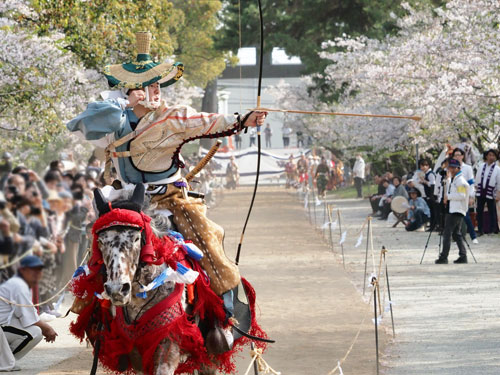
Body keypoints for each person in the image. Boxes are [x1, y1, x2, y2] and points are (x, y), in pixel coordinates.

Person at [66, 32, 266, 343]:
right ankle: (96, 319)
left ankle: (222, 318)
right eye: (149, 85)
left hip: (169, 199)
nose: (157, 90)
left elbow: (210, 121)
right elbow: (82, 122)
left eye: (159, 84)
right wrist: (125, 104)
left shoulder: (173, 118)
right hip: (124, 200)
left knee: (206, 239)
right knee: (100, 242)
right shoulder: (112, 118)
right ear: (133, 90)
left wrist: (244, 119)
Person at [0, 256, 58, 372]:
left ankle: (7, 359)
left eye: (39, 270)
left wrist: (46, 328)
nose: (37, 273)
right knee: (35, 332)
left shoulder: (21, 283)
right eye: (32, 270)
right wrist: (48, 329)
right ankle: (5, 360)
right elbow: (29, 317)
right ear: (23, 271)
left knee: (35, 330)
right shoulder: (19, 285)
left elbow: (27, 315)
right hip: (2, 326)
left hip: (5, 324)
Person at [435, 159, 469, 264]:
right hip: (453, 209)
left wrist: (448, 197)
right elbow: (450, 189)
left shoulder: (461, 181)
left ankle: (444, 256)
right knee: (456, 234)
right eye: (450, 167)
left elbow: (462, 196)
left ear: (459, 168)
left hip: (456, 210)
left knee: (447, 233)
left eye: (454, 167)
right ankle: (463, 255)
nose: (452, 169)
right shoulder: (454, 179)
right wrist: (448, 180)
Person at [451, 148, 478, 243]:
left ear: (462, 156)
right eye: (455, 155)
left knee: (466, 216)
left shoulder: (467, 168)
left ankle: (473, 236)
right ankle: (456, 236)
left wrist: (471, 196)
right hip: (454, 194)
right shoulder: (451, 167)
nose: (457, 157)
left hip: (464, 194)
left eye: (459, 155)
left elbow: (471, 183)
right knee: (454, 216)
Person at [474, 149, 500, 235]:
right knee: (480, 211)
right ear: (486, 156)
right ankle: (480, 229)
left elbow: (498, 182)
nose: (491, 157)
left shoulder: (497, 169)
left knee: (492, 211)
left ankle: (493, 229)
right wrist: (476, 188)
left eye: (493, 155)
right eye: (490, 155)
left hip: (491, 192)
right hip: (481, 191)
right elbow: (477, 178)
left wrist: (498, 194)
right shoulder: (481, 166)